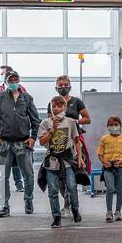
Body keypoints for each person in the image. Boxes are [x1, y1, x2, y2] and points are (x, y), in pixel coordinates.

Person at [0, 70, 38, 217]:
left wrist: (33, 138)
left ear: (19, 81)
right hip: (5, 144)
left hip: (23, 143)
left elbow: (35, 120)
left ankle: (28, 200)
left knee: (29, 176)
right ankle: (4, 206)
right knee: (3, 177)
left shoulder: (27, 98)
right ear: (6, 82)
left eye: (16, 79)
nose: (13, 82)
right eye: (11, 80)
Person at [37, 96, 82, 228]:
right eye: (54, 106)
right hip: (52, 161)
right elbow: (42, 142)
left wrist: (79, 157)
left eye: (59, 106)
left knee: (72, 186)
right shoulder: (45, 123)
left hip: (67, 160)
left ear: (65, 108)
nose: (56, 108)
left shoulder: (71, 122)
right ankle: (56, 216)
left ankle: (75, 209)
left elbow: (76, 140)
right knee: (52, 190)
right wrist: (52, 131)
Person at [52, 76, 91, 196]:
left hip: (75, 139)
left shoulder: (77, 101)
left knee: (74, 170)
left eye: (65, 85)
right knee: (60, 173)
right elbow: (50, 120)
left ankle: (72, 199)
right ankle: (66, 200)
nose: (63, 87)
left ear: (70, 86)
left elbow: (87, 119)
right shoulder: (53, 102)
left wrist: (74, 122)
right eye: (60, 85)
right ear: (56, 87)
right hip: (59, 140)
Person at [0, 64, 26, 192]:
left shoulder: (21, 89)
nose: (0, 76)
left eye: (2, 74)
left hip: (18, 130)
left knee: (17, 158)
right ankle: (0, 183)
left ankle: (19, 183)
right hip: (3, 130)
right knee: (3, 158)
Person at [96, 117, 122, 223]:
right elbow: (100, 153)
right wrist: (104, 162)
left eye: (116, 124)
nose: (114, 127)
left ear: (120, 125)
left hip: (120, 168)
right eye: (111, 125)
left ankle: (118, 212)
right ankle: (109, 212)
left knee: (120, 190)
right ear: (108, 126)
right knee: (110, 189)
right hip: (108, 168)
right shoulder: (104, 138)